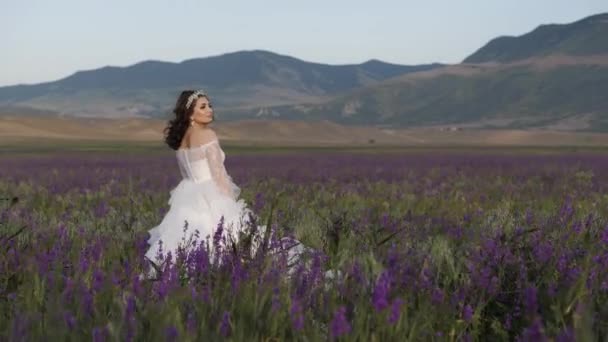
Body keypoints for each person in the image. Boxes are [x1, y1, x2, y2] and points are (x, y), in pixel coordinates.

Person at [143, 90, 312, 279]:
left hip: (187, 198)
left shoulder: (182, 141)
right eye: (203, 106)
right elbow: (218, 174)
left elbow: (187, 175)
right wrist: (231, 203)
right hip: (212, 196)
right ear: (190, 114)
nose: (209, 110)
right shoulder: (207, 135)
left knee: (184, 242)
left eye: (210, 105)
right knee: (233, 242)